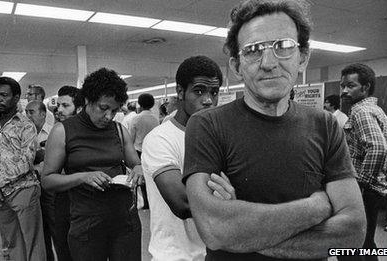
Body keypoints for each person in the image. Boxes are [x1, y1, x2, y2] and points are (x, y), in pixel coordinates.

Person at [182, 1, 366, 260]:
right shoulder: (207, 125)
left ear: (303, 57)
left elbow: (352, 233)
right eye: (254, 50)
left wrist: (241, 233)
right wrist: (315, 208)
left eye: (283, 47)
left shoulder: (325, 125)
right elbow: (214, 229)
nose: (268, 62)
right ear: (236, 66)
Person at [41, 68, 143, 261]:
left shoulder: (119, 130)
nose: (109, 116)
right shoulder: (63, 131)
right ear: (87, 99)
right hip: (87, 224)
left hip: (124, 221)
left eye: (114, 110)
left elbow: (135, 163)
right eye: (103, 108)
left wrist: (138, 169)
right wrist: (83, 177)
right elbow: (47, 180)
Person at [141, 55, 236, 261]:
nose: (208, 100)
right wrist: (233, 205)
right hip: (176, 255)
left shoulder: (220, 138)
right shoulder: (160, 139)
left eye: (214, 92)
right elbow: (183, 203)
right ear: (180, 92)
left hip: (216, 252)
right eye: (199, 91)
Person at [0, 76, 46, 260]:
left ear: (16, 98)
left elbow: (26, 161)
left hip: (23, 190)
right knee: (11, 241)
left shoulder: (26, 126)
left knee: (33, 241)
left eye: (4, 95)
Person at [341, 63, 387, 259]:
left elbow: (377, 147)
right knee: (366, 242)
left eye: (350, 86)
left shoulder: (361, 112)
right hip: (374, 189)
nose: (344, 91)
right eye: (343, 86)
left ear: (365, 87)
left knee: (351, 246)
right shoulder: (376, 110)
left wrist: (361, 182)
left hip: (364, 190)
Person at [53, 85, 85, 261]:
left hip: (86, 199)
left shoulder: (87, 134)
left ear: (79, 108)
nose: (59, 110)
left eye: (65, 106)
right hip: (64, 197)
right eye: (59, 106)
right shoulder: (58, 131)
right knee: (63, 245)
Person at [25, 100, 55, 261]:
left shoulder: (54, 133)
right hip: (29, 189)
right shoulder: (22, 134)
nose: (28, 116)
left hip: (49, 188)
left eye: (31, 112)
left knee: (55, 227)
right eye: (26, 112)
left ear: (43, 114)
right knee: (38, 232)